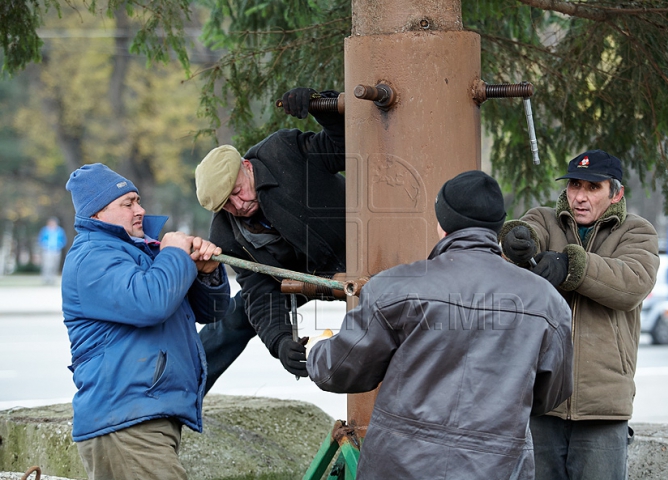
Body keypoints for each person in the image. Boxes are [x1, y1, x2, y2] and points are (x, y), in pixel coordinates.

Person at [306, 170, 574, 479]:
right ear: (499, 226)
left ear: (441, 223)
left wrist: (316, 350)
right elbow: (549, 395)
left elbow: (340, 370)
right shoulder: (547, 302)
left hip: (401, 467)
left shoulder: (396, 286)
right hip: (497, 468)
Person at [61, 163, 231, 480]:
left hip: (142, 415)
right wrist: (174, 254)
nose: (139, 210)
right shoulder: (92, 257)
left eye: (138, 200)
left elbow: (212, 314)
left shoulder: (139, 252)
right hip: (124, 422)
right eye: (127, 204)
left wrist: (206, 275)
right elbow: (150, 303)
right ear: (97, 214)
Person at [499, 150, 660, 480]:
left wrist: (569, 265)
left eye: (592, 188)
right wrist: (516, 240)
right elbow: (525, 232)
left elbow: (633, 283)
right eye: (574, 185)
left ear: (616, 193)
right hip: (542, 399)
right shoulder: (546, 219)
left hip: (603, 406)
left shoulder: (637, 232)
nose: (579, 197)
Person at [195, 87, 345, 387]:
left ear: (247, 166)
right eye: (227, 204)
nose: (238, 206)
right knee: (235, 315)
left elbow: (341, 149)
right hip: (309, 274)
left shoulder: (283, 152)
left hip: (360, 243)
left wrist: (323, 107)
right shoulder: (226, 233)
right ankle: (177, 391)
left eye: (237, 192)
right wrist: (280, 341)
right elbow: (262, 291)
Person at [38, 216, 67, 284]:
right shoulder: (45, 230)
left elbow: (63, 240)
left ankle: (52, 279)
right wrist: (44, 245)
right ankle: (46, 279)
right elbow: (40, 239)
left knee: (55, 265)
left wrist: (60, 245)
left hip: (56, 250)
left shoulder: (60, 231)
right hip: (47, 250)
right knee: (47, 265)